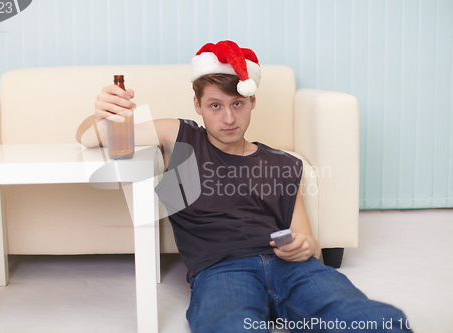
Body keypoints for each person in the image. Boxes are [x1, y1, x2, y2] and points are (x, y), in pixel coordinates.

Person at [76, 40, 412, 333]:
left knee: (374, 320)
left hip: (293, 269)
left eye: (237, 104)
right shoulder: (180, 138)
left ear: (252, 102)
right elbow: (92, 139)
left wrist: (304, 246)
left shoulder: (283, 163)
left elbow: (311, 245)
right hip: (221, 270)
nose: (228, 118)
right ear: (198, 106)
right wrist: (103, 112)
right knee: (229, 326)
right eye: (215, 106)